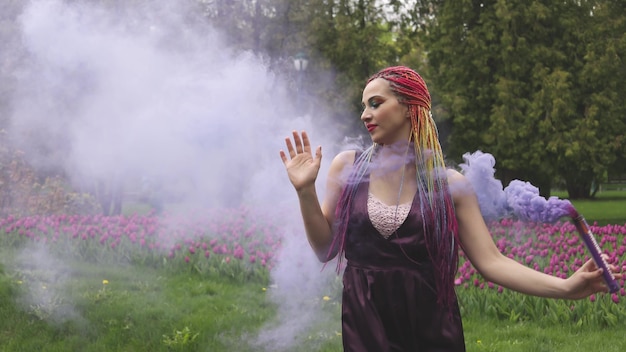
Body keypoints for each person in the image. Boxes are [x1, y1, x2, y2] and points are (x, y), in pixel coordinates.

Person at [279, 66, 621, 351]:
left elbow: (492, 262)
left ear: (410, 107)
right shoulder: (347, 167)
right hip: (366, 320)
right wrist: (305, 191)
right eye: (364, 105)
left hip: (430, 324)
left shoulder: (449, 183)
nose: (364, 114)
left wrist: (566, 287)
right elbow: (325, 250)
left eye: (375, 103)